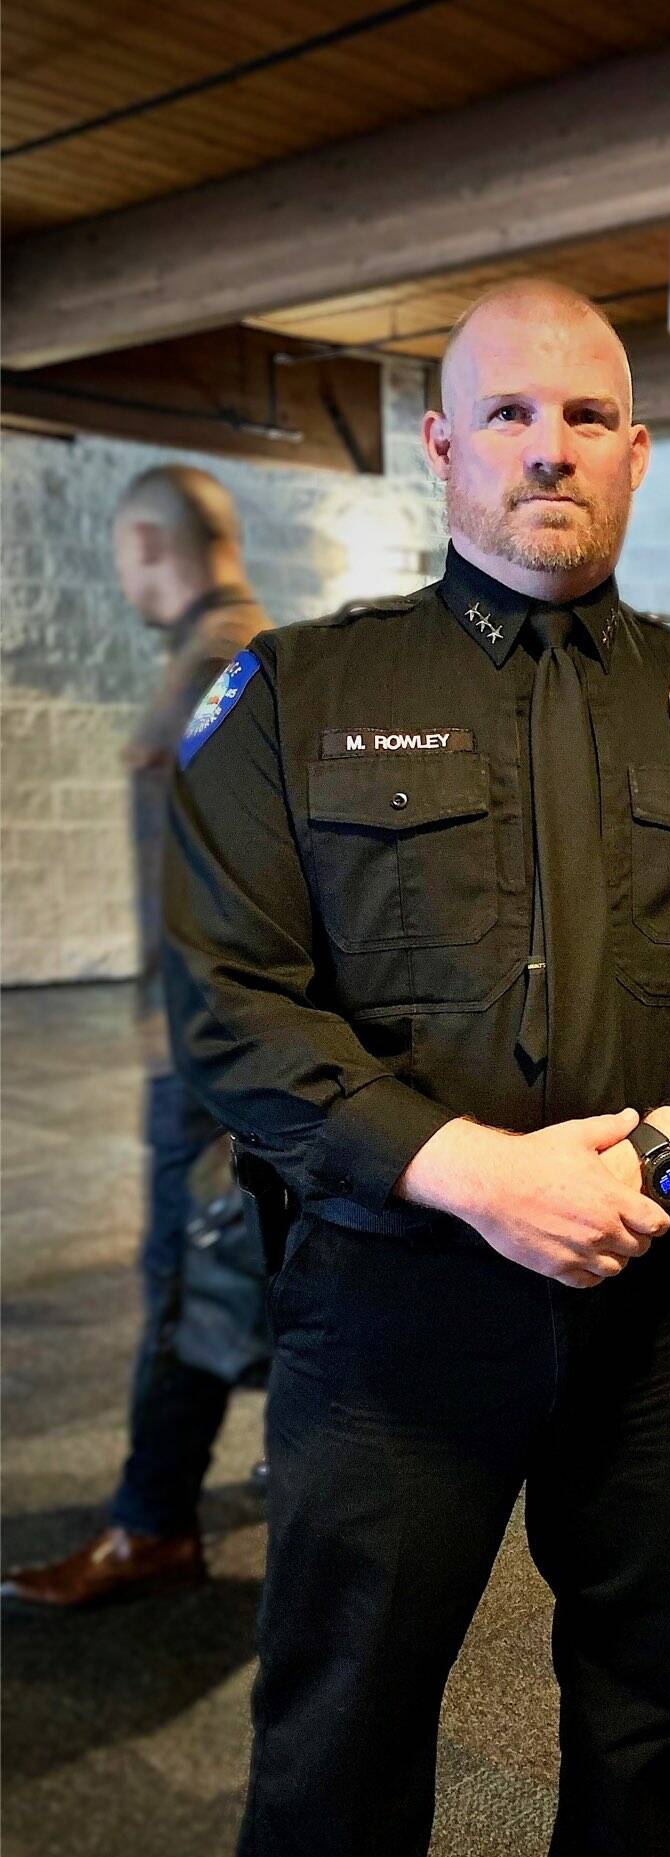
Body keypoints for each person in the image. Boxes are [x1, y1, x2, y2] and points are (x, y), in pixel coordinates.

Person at [162, 281, 670, 1857]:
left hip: (655, 1286)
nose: (546, 446)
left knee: (638, 1664)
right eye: (506, 414)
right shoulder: (300, 694)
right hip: (391, 1299)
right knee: (349, 1687)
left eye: (584, 419)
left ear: (634, 450)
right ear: (439, 444)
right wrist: (466, 1166)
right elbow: (233, 1005)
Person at [2, 467, 271, 1612]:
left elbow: (234, 880)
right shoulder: (232, 656)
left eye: (120, 551)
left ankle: (151, 1523)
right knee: (233, 1265)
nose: (118, 575)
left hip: (208, 1054)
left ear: (153, 544)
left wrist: (200, 1061)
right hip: (209, 1045)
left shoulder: (220, 670)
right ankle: (276, 1468)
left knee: (187, 1275)